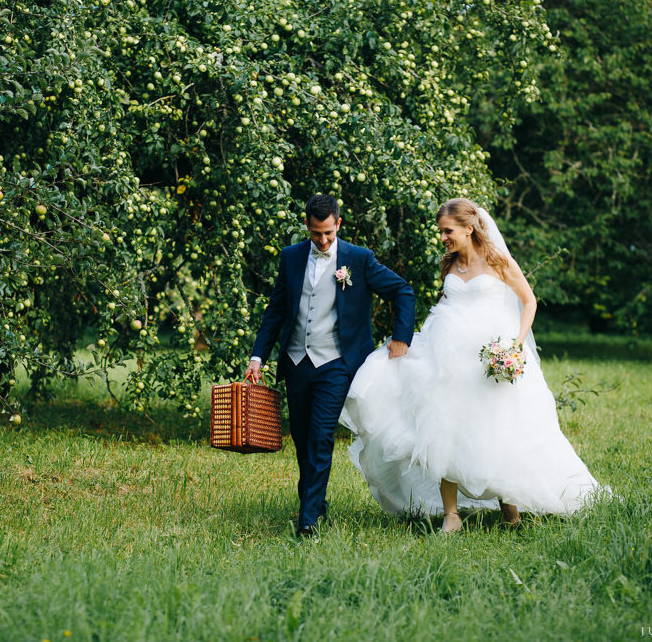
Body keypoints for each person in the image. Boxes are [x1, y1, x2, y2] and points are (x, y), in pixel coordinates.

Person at [341, 198, 607, 533]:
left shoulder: (497, 261)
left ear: (469, 228)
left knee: (496, 427)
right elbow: (447, 305)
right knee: (443, 425)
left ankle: (510, 507)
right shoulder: (449, 265)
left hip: (488, 358)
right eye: (441, 232)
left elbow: (529, 301)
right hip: (446, 357)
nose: (443, 237)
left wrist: (516, 344)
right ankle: (451, 515)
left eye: (448, 231)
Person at [246, 194, 416, 537]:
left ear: (338, 223)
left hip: (336, 362)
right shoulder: (291, 258)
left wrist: (402, 337)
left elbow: (403, 292)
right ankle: (316, 504)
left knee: (321, 437)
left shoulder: (359, 259)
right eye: (315, 234)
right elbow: (276, 311)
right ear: (307, 226)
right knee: (302, 437)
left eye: (328, 233)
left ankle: (307, 520)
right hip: (296, 361)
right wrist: (257, 357)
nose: (323, 240)